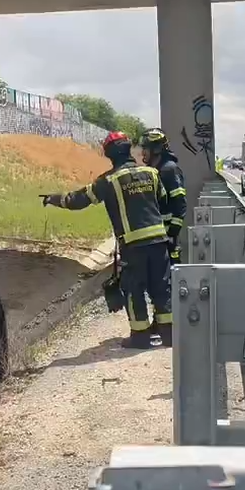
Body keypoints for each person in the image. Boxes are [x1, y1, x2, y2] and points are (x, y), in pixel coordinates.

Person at [43, 131, 173, 348]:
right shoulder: (152, 173)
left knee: (134, 289)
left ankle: (140, 337)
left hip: (133, 245)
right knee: (162, 287)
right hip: (159, 241)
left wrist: (54, 199)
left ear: (110, 154)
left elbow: (79, 200)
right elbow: (163, 200)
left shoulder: (109, 180)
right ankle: (169, 335)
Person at [139, 128, 188, 264]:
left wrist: (173, 231)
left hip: (167, 235)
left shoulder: (169, 169)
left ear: (156, 149)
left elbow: (180, 202)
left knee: (170, 271)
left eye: (146, 148)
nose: (143, 152)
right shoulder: (155, 170)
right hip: (157, 235)